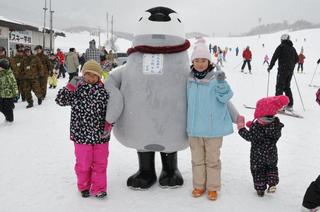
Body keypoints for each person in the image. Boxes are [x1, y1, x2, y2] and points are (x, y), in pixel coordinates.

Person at [187, 39, 239, 201]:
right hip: (194, 130)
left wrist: (222, 83)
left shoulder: (216, 79)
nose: (200, 64)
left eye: (203, 60)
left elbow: (226, 97)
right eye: (197, 60)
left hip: (212, 129)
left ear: (209, 61)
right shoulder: (189, 80)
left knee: (212, 161)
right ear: (192, 62)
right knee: (197, 160)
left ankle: (213, 187)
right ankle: (199, 185)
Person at [55, 60, 111, 198]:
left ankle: (99, 188)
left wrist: (109, 124)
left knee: (100, 163)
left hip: (101, 135)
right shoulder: (77, 89)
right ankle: (84, 185)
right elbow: (60, 100)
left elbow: (113, 109)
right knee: (84, 163)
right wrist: (70, 86)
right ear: (83, 74)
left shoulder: (105, 91)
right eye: (88, 74)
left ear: (99, 76)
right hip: (81, 134)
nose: (91, 78)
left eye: (94, 75)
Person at [237, 95, 289, 197]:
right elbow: (263, 132)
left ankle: (260, 189)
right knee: (271, 168)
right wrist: (252, 126)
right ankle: (272, 182)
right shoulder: (276, 125)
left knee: (258, 171)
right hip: (271, 154)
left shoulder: (257, 127)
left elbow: (249, 136)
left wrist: (241, 128)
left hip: (258, 156)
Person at [267, 34, 299, 112]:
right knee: (287, 87)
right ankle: (290, 105)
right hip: (290, 71)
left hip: (282, 70)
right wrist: (291, 66)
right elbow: (297, 59)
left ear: (282, 39)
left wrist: (270, 67)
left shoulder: (281, 47)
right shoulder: (292, 48)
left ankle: (279, 106)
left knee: (279, 86)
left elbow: (275, 56)